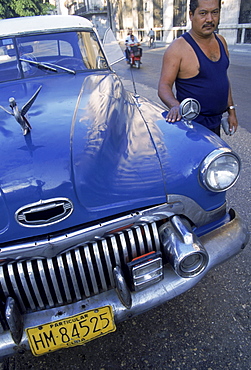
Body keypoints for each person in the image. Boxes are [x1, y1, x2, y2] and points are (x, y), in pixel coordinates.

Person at [158, 0, 238, 136]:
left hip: (215, 123)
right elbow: (164, 86)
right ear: (191, 15)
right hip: (191, 127)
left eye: (215, 12)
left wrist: (231, 111)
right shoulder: (178, 48)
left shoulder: (221, 41)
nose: (210, 19)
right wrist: (175, 105)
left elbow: (223, 79)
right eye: (203, 13)